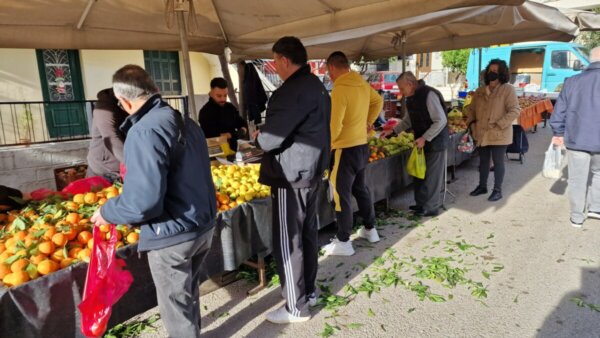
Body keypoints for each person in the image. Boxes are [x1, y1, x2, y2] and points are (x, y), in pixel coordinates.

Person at [90, 65, 216, 338]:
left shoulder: (144, 131)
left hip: (173, 234)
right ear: (154, 89)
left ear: (123, 101)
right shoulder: (185, 120)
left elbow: (142, 202)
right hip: (202, 224)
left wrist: (107, 211)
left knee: (176, 308)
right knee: (187, 296)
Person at [253, 36, 330, 324]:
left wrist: (259, 139)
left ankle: (295, 307)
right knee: (307, 235)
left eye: (274, 61)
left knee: (289, 240)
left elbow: (272, 139)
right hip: (311, 172)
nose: (274, 67)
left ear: (285, 60)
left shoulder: (290, 91)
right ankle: (308, 292)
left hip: (291, 175)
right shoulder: (317, 86)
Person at [321, 51, 383, 257]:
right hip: (361, 147)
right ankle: (370, 229)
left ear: (332, 68)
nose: (329, 76)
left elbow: (334, 125)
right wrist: (367, 123)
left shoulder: (339, 89)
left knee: (341, 195)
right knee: (360, 189)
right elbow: (378, 102)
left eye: (328, 71)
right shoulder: (361, 83)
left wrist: (327, 146)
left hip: (344, 150)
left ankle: (344, 241)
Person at [380, 71, 448, 216]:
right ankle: (421, 204)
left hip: (435, 142)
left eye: (401, 88)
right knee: (420, 174)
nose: (400, 92)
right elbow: (407, 120)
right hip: (421, 141)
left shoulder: (429, 95)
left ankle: (431, 207)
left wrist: (425, 137)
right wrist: (393, 132)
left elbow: (441, 120)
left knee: (431, 176)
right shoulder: (411, 98)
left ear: (410, 84)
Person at [550, 47, 600, 228]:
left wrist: (558, 132)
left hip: (577, 139)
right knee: (599, 173)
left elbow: (559, 111)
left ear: (590, 60)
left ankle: (577, 217)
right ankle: (596, 208)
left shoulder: (572, 81)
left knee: (577, 179)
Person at [464, 59, 520, 202]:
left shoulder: (508, 89)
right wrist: (470, 123)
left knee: (498, 162)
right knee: (483, 162)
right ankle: (482, 186)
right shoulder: (480, 91)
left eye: (495, 71)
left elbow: (514, 111)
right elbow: (471, 109)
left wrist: (499, 124)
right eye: (490, 70)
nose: (492, 73)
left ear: (501, 73)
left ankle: (497, 190)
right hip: (481, 132)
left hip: (499, 133)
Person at [86, 88, 128, 182]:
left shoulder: (126, 103)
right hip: (103, 168)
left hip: (118, 166)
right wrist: (133, 164)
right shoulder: (105, 107)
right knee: (95, 195)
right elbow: (112, 138)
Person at [198, 77, 247, 151]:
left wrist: (230, 135)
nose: (223, 99)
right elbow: (213, 136)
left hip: (233, 152)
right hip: (214, 154)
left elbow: (243, 125)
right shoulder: (205, 112)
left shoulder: (230, 107)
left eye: (225, 95)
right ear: (211, 93)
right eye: (219, 96)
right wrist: (236, 134)